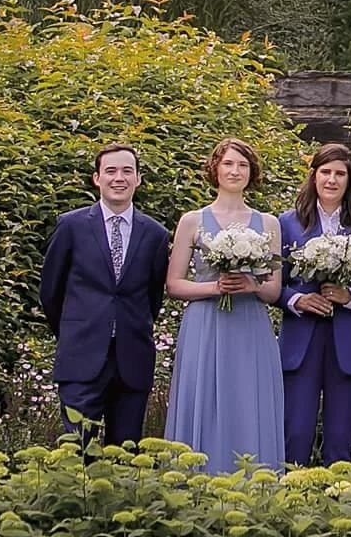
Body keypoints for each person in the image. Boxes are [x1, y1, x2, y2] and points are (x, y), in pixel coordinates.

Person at [163, 137, 287, 472]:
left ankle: (253, 480)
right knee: (204, 399)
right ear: (215, 168)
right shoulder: (192, 220)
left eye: (243, 165)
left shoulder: (269, 224)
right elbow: (174, 284)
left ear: (252, 173)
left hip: (249, 324)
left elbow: (274, 290)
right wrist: (213, 287)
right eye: (229, 163)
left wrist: (250, 284)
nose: (235, 171)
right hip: (205, 323)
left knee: (247, 400)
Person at [38, 142, 171, 447]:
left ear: (138, 179)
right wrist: (75, 331)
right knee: (75, 451)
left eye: (127, 171)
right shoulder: (71, 226)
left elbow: (153, 297)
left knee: (124, 454)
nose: (119, 178)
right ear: (97, 178)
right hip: (81, 356)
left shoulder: (154, 234)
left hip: (132, 359)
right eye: (110, 171)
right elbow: (50, 292)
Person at [277, 142, 351, 467]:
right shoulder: (287, 223)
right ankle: (291, 502)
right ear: (313, 176)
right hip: (303, 340)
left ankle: (336, 502)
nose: (332, 179)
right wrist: (298, 299)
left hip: (349, 341)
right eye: (325, 172)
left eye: (340, 173)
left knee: (340, 437)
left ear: (349, 179)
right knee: (296, 433)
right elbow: (274, 286)